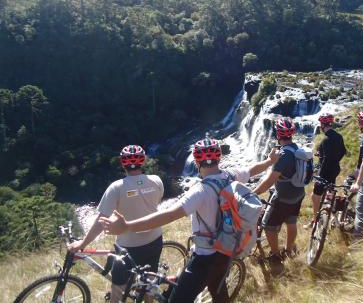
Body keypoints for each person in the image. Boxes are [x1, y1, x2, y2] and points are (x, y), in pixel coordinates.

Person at [100, 138, 279, 303]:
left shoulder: (200, 191)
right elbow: (252, 169)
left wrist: (127, 226)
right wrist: (270, 161)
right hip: (226, 248)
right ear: (219, 158)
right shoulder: (231, 175)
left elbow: (169, 215)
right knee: (218, 287)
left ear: (196, 161)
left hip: (205, 257)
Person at [68, 145, 164, 303]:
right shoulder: (156, 181)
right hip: (155, 240)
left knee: (117, 290)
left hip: (128, 247)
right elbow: (154, 203)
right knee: (147, 281)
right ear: (144, 161)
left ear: (122, 163)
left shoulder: (116, 187)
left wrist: (82, 243)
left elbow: (101, 221)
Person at [252, 118, 305, 274]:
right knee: (291, 221)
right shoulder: (297, 149)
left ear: (278, 135)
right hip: (299, 193)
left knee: (268, 226)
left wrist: (253, 193)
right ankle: (288, 250)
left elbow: (269, 181)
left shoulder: (283, 155)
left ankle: (275, 256)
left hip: (283, 197)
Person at [304, 113, 346, 229]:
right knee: (330, 194)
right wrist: (335, 160)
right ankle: (333, 218)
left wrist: (320, 174)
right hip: (335, 169)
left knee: (315, 196)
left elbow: (326, 158)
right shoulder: (339, 136)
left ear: (322, 125)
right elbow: (342, 151)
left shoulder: (325, 140)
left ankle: (316, 220)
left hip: (325, 171)